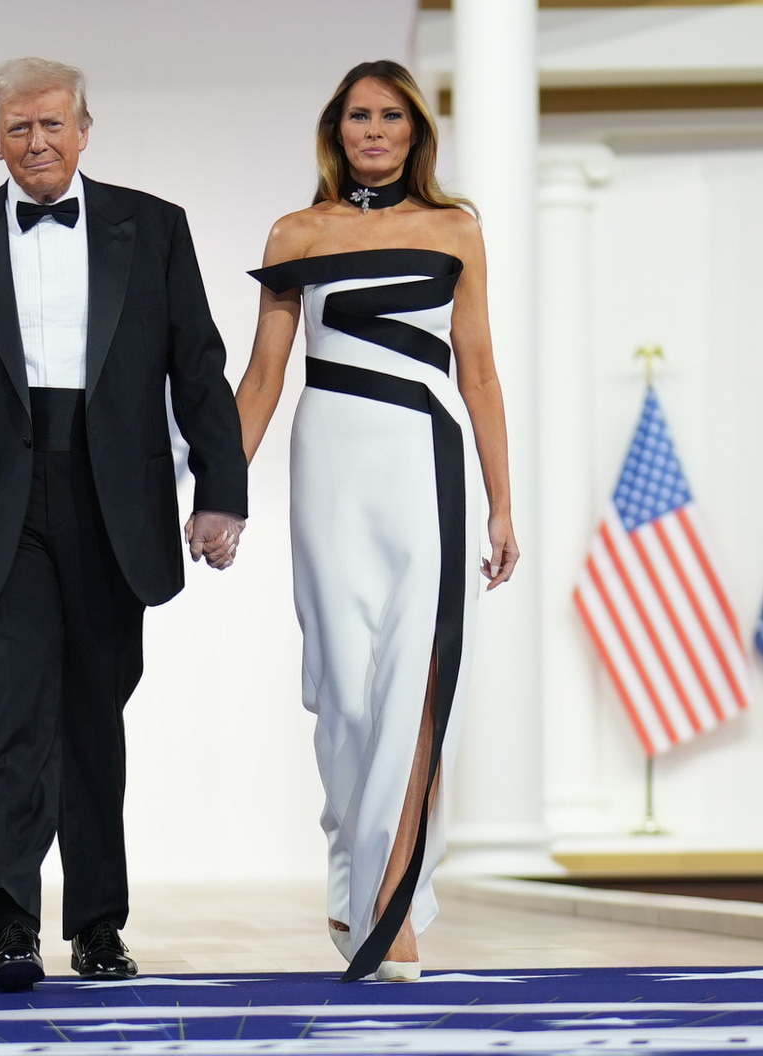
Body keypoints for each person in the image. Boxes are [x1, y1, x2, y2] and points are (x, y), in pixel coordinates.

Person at [0, 57, 248, 992]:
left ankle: (97, 926)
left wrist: (221, 489)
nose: (37, 142)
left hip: (111, 497)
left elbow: (199, 368)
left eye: (53, 125)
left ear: (86, 129)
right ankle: (10, 921)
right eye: (18, 128)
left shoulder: (155, 227)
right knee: (9, 713)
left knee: (94, 717)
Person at [235, 60, 519, 983]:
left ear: (414, 131)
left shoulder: (456, 229)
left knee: (414, 684)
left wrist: (503, 500)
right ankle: (354, 871)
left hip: (425, 468)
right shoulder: (296, 232)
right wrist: (219, 491)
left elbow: (478, 370)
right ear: (337, 128)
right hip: (329, 471)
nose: (374, 130)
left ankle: (391, 908)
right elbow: (264, 378)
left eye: (391, 116)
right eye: (359, 115)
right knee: (346, 699)